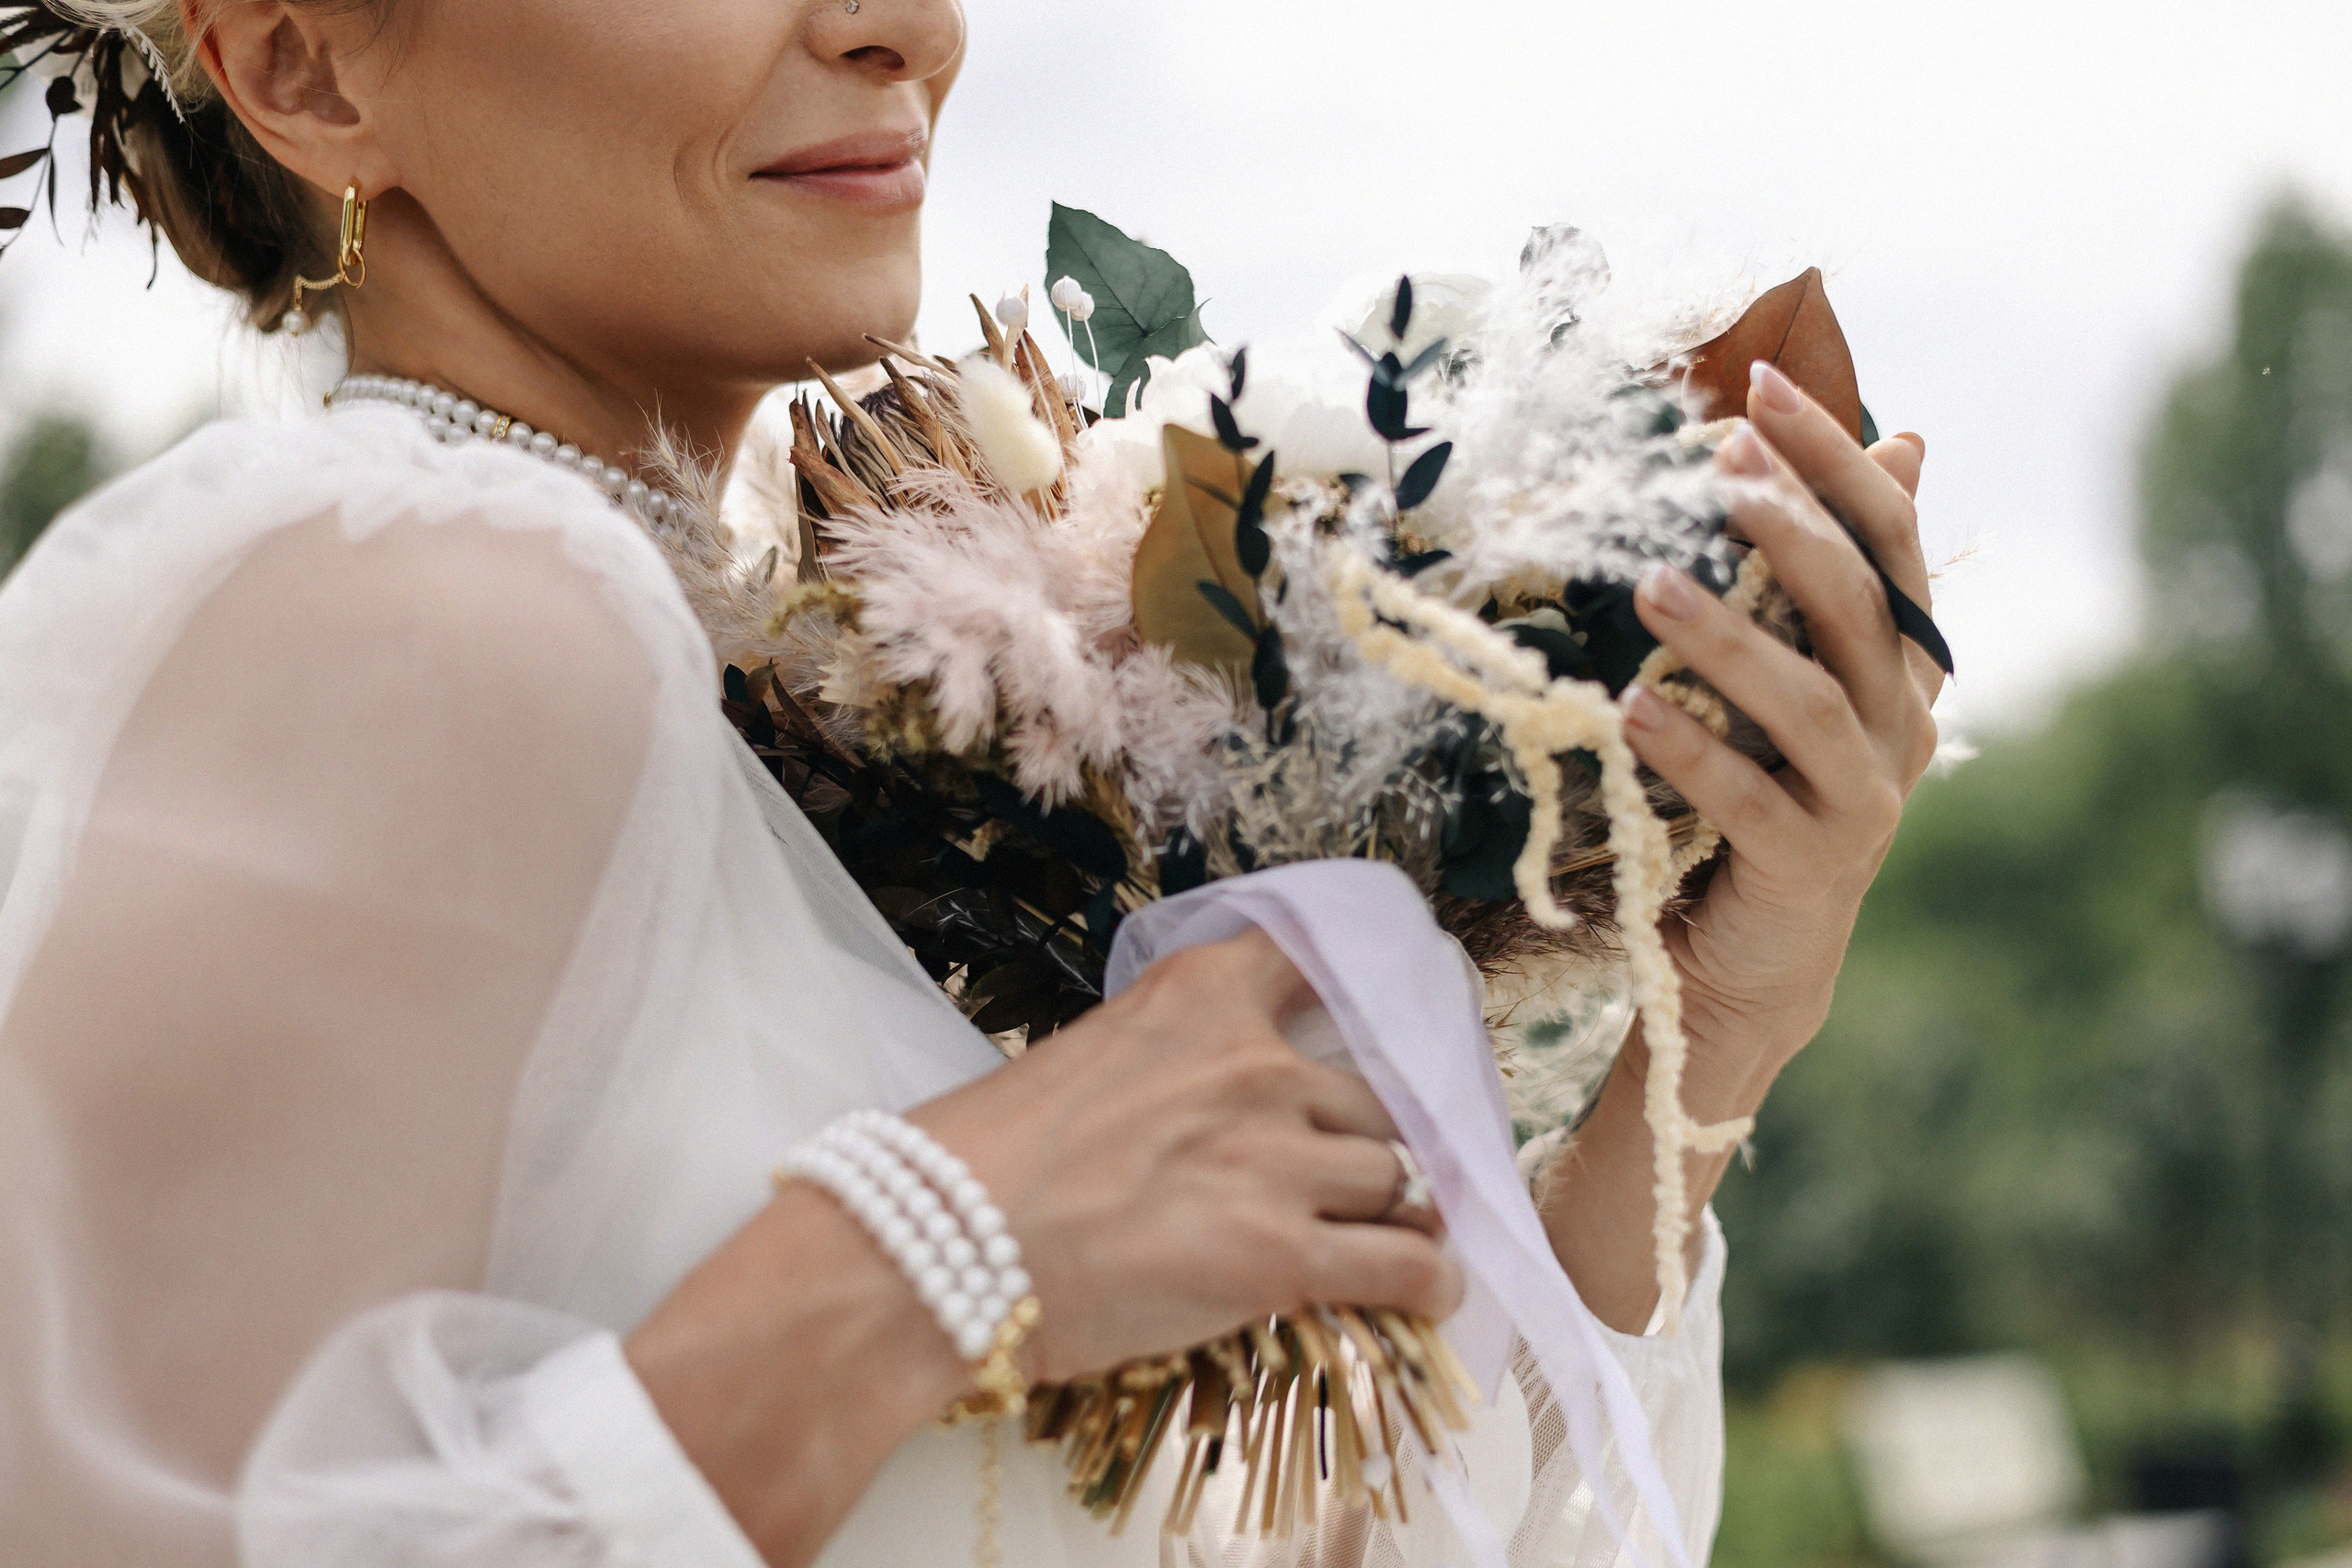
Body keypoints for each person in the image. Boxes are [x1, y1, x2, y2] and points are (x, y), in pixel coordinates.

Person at [0, 1, 1945, 1564]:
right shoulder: (433, 607)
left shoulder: (778, 684)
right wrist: (916, 1251)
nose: (904, 29)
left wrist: (1705, 1043)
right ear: (304, 68)